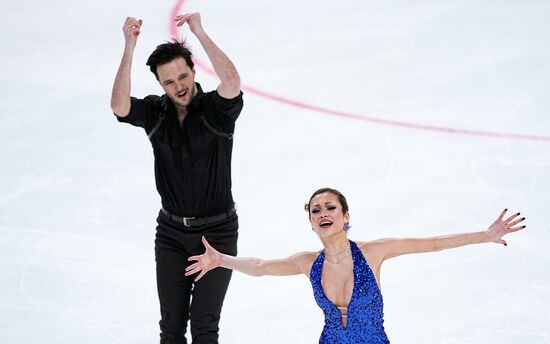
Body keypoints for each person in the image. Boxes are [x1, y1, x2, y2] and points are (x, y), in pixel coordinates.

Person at [185, 187, 526, 343]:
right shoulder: (308, 263)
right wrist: (220, 259)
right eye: (316, 210)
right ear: (311, 223)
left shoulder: (373, 253)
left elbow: (433, 243)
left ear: (345, 217)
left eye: (330, 207)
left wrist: (484, 235)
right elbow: (260, 266)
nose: (323, 214)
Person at [110, 13, 243, 344]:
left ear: (194, 70)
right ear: (160, 85)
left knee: (203, 325)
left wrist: (198, 32)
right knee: (171, 328)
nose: (179, 86)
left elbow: (232, 81)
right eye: (169, 82)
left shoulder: (216, 110)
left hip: (217, 232)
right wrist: (129, 47)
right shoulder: (156, 114)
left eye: (183, 76)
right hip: (170, 234)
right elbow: (119, 106)